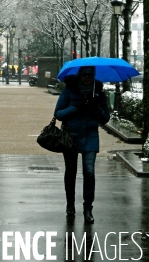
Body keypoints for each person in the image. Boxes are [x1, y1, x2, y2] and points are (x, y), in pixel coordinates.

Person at [54, 65, 110, 224]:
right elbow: (58, 113)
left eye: (90, 74)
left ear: (93, 75)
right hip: (71, 136)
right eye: (84, 74)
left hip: (90, 135)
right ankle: (70, 204)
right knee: (71, 172)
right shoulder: (69, 90)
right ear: (79, 75)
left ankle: (88, 208)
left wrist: (96, 107)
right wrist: (76, 108)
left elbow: (105, 118)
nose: (86, 77)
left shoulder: (98, 92)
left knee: (89, 172)